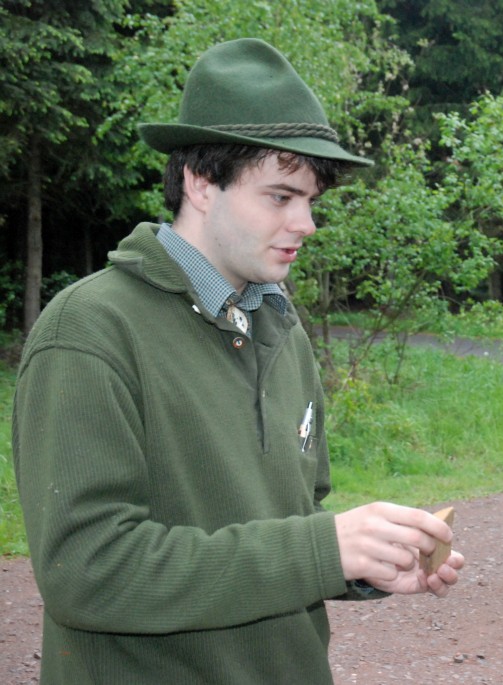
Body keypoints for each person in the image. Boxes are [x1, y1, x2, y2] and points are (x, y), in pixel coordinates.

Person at [11, 38, 464, 684]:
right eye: (280, 197)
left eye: (310, 200)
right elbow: (88, 570)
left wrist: (363, 561)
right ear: (199, 183)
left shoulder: (281, 330)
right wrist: (321, 549)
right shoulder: (89, 331)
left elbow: (288, 524)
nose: (306, 223)